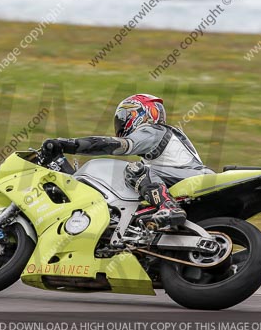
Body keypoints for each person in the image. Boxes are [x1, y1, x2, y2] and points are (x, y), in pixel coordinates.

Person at [42, 94, 212, 230]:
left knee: (136, 170)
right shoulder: (162, 138)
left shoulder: (153, 131)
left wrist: (69, 144)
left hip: (194, 177)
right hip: (189, 178)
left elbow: (117, 146)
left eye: (124, 116)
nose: (121, 122)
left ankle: (168, 207)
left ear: (140, 114)